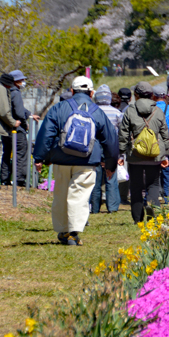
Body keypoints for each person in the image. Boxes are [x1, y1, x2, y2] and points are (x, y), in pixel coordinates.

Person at [32, 76, 119, 245]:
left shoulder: (59, 108)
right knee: (79, 195)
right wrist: (110, 165)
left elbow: (46, 133)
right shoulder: (97, 111)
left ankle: (63, 231)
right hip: (86, 162)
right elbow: (110, 140)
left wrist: (39, 157)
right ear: (91, 92)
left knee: (61, 195)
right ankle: (74, 232)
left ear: (72, 91)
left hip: (61, 159)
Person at [119, 82, 169, 223]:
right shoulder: (158, 111)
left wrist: (121, 153)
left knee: (135, 186)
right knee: (153, 185)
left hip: (135, 154)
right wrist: (165, 154)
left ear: (136, 95)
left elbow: (123, 133)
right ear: (151, 95)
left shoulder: (130, 110)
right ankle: (153, 213)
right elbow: (165, 134)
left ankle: (137, 218)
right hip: (154, 154)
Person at [90, 85, 123, 214]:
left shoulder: (92, 111)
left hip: (95, 148)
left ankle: (94, 207)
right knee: (111, 177)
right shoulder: (117, 113)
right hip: (111, 148)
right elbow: (122, 134)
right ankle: (113, 207)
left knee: (95, 178)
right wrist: (120, 154)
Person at [0, 70, 36, 187]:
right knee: (21, 153)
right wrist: (25, 124)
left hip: (5, 127)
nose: (23, 82)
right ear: (15, 81)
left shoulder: (5, 92)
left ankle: (4, 178)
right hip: (17, 128)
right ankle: (19, 179)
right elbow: (19, 111)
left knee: (6, 153)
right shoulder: (16, 92)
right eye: (22, 80)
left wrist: (29, 114)